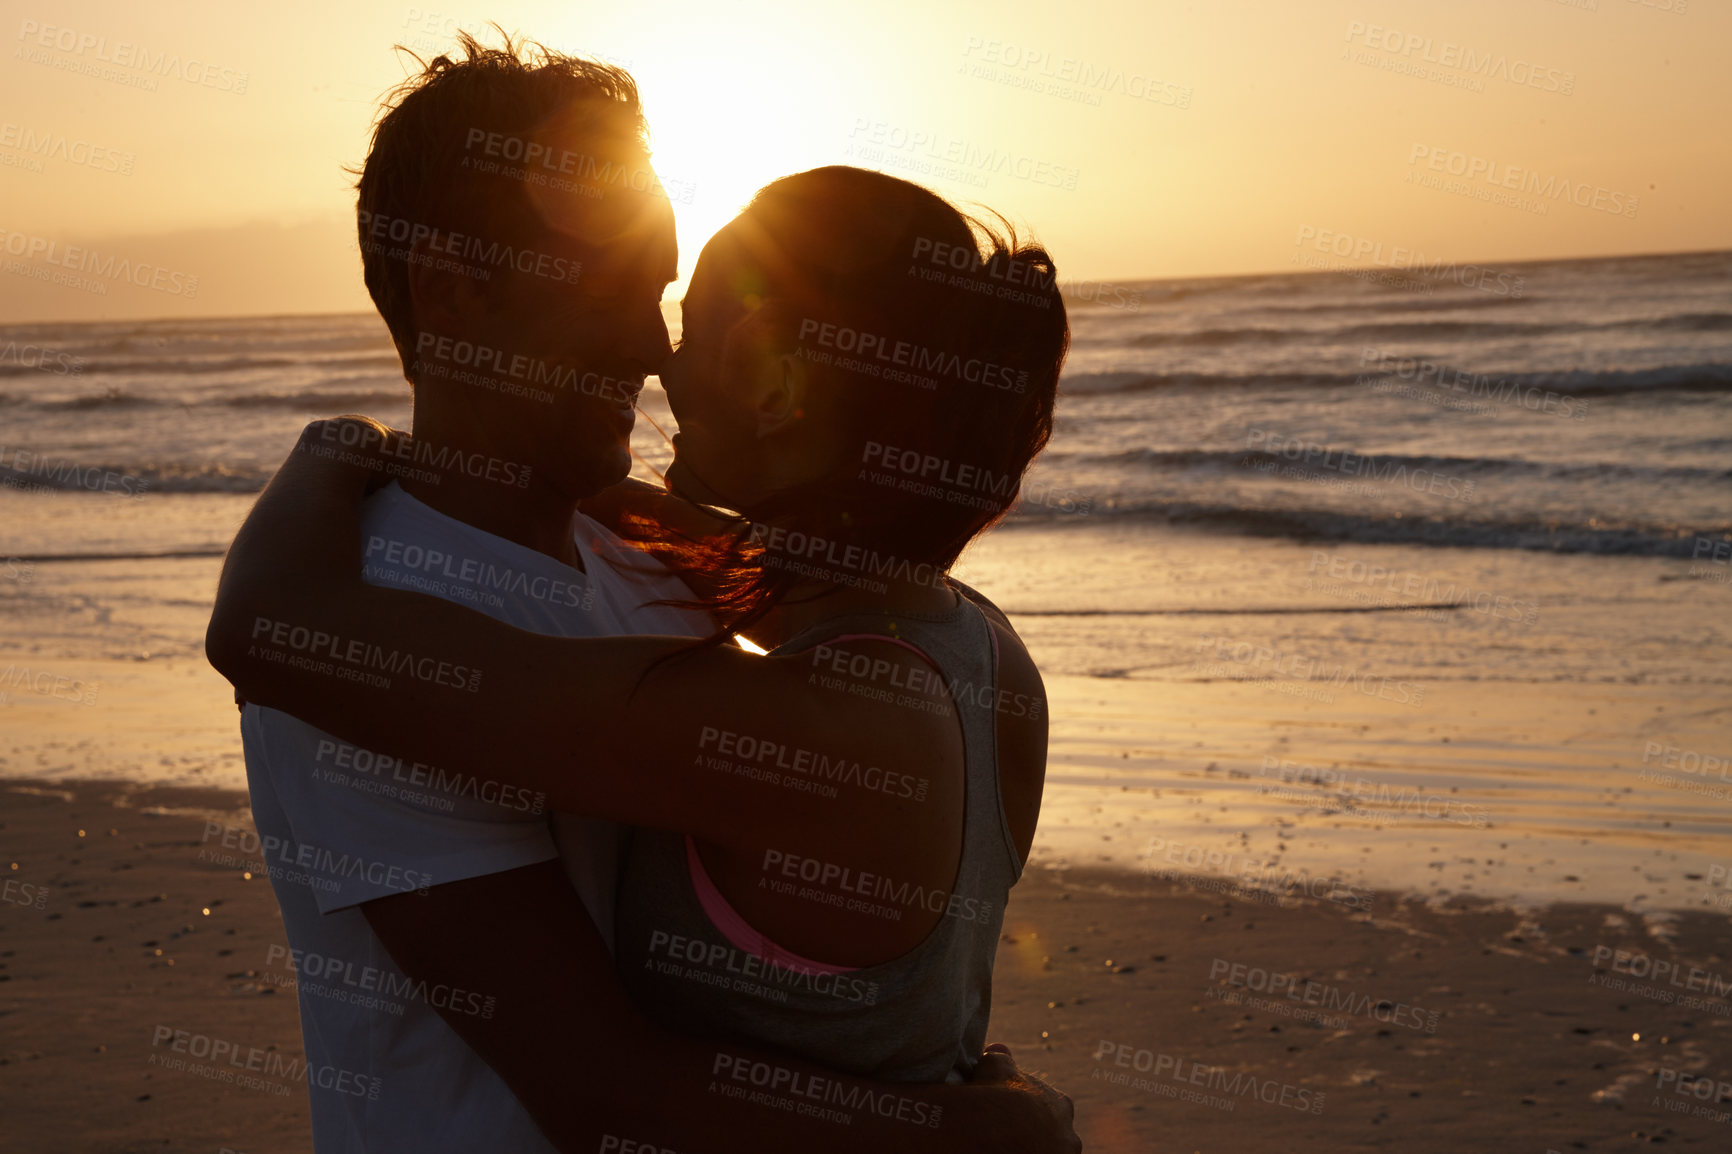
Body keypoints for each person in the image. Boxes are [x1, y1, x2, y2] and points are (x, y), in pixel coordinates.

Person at [219, 29, 1078, 1154]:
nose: (656, 348)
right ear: (455, 290)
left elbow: (275, 629)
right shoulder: (394, 591)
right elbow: (605, 1084)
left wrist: (331, 452)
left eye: (678, 300)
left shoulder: (702, 616)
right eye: (616, 290)